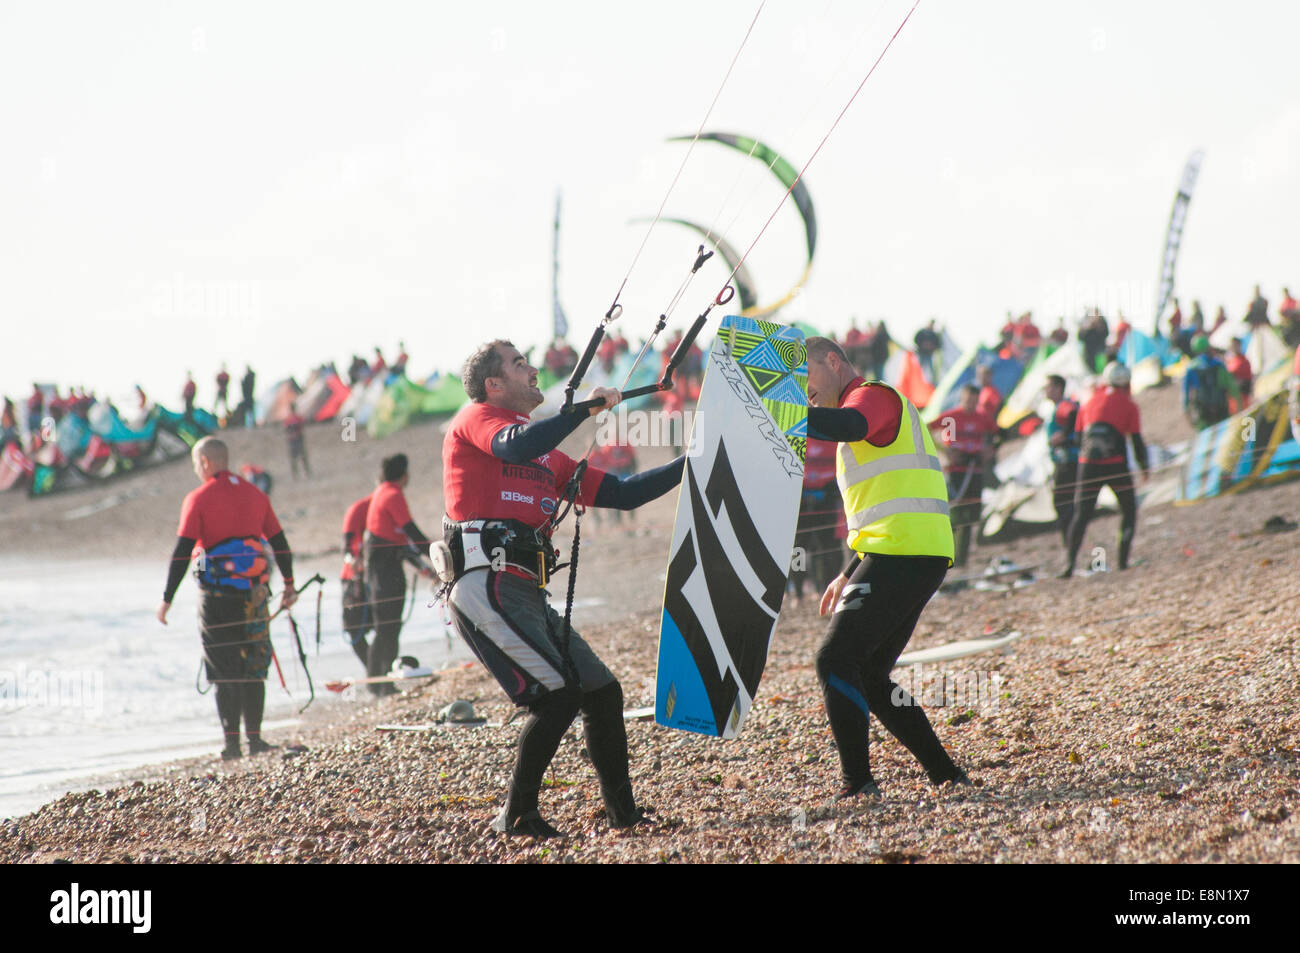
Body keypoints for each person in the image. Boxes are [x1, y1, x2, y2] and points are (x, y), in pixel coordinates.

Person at [442, 339, 685, 838]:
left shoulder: (547, 458)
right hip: (485, 586)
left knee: (602, 691)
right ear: (493, 385)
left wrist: (694, 463)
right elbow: (515, 445)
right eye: (519, 364)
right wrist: (587, 409)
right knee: (556, 695)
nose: (533, 371)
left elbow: (621, 492)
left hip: (527, 593)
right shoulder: (476, 420)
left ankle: (624, 814)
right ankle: (517, 815)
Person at [800, 336, 967, 798]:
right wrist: (849, 571)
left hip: (905, 553)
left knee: (834, 659)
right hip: (906, 551)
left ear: (834, 361)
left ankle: (857, 784)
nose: (804, 389)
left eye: (807, 375)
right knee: (870, 675)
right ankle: (947, 775)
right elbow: (885, 508)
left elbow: (850, 424)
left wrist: (779, 415)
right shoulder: (854, 409)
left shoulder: (871, 396)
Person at [156, 437, 297, 760]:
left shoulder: (198, 498)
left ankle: (232, 744)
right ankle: (256, 740)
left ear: (205, 462)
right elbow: (279, 542)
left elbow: (182, 552)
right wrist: (289, 585)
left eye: (196, 464)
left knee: (223, 668)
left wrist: (167, 598)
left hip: (217, 598)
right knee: (253, 664)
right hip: (254, 594)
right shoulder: (255, 493)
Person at [1060, 363, 1149, 578]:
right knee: (1128, 510)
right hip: (1115, 464)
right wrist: (1144, 467)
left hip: (1088, 465)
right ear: (1126, 382)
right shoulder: (1129, 405)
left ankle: (1069, 565)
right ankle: (1123, 561)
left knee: (1081, 514)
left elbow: (1079, 438)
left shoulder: (1088, 401)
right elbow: (1136, 440)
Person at [364, 454, 434, 696]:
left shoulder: (382, 492)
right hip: (385, 570)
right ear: (404, 475)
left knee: (384, 627)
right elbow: (411, 532)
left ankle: (377, 683)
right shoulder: (393, 494)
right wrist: (437, 554)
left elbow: (401, 540)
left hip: (382, 567)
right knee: (388, 628)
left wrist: (424, 567)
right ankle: (382, 685)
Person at [929, 384, 998, 567]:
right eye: (968, 400)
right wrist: (944, 452)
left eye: (975, 401)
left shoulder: (982, 418)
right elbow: (926, 429)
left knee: (970, 518)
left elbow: (999, 434)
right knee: (952, 516)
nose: (971, 404)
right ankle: (946, 556)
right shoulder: (951, 417)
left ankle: (962, 559)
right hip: (956, 472)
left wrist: (990, 451)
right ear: (962, 398)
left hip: (975, 470)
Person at [1044, 374, 1080, 549]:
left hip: (1068, 461)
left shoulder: (1064, 405)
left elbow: (1073, 413)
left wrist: (1063, 436)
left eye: (1049, 386)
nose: (1046, 390)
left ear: (1058, 388)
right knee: (1063, 503)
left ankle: (1071, 542)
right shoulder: (1057, 407)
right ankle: (1071, 542)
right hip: (1064, 460)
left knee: (1062, 502)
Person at [340, 492, 373, 667]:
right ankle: (371, 668)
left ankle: (377, 669)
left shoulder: (389, 504)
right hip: (353, 579)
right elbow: (346, 546)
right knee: (353, 629)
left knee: (383, 627)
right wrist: (353, 562)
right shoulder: (359, 509)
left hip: (375, 577)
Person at [1182, 335, 1240, 430]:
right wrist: (1238, 410)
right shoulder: (1219, 364)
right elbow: (1234, 389)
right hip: (1222, 410)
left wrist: (1189, 419)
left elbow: (1185, 398)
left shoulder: (1191, 368)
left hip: (1203, 413)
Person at [284, 403, 310, 478]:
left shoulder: (289, 419)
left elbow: (287, 430)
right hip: (297, 439)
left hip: (294, 439)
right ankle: (303, 473)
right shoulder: (296, 418)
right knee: (301, 457)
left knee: (297, 457)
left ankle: (297, 474)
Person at [1224, 338, 1253, 403]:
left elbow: (1246, 379)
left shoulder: (1244, 361)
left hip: (1243, 396)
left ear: (1240, 346)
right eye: (1232, 345)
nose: (1234, 347)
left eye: (1236, 345)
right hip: (1232, 397)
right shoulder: (1230, 361)